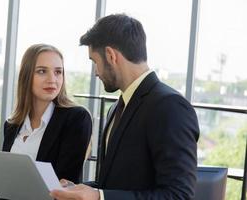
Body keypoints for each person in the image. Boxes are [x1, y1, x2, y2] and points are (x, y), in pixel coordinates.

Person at [50, 14, 200, 200]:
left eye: (95, 62)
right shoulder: (117, 108)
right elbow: (113, 184)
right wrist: (78, 190)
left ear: (111, 55)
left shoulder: (169, 106)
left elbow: (179, 195)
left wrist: (99, 197)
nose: (96, 72)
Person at [0, 44, 92, 199]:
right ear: (27, 76)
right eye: (42, 71)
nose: (52, 79)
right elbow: (4, 186)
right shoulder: (12, 125)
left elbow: (66, 182)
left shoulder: (76, 118)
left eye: (58, 72)